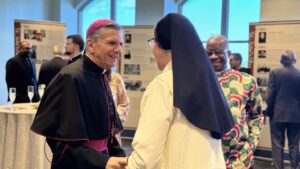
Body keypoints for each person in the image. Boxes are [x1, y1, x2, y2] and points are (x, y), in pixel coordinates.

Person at [127, 13, 234, 169]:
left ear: (163, 45)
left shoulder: (163, 84)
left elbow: (145, 158)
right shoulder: (207, 83)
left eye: (153, 42)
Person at [31, 19, 127, 169]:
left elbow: (107, 132)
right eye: (112, 43)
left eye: (120, 44)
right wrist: (102, 161)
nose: (118, 50)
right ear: (90, 45)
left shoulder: (100, 75)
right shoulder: (70, 77)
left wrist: (119, 155)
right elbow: (59, 142)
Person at [206, 35, 264, 169]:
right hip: (206, 156)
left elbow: (256, 115)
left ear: (228, 53)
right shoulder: (198, 81)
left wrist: (251, 145)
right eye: (209, 53)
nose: (213, 56)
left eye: (218, 52)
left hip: (239, 158)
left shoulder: (246, 80)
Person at [266, 50, 300, 169]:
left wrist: (269, 111)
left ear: (281, 60)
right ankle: (294, 167)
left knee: (277, 145)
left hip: (277, 114)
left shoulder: (274, 72)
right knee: (294, 144)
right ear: (294, 60)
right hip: (296, 116)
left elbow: (270, 95)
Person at [106, 69, 130, 145]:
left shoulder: (115, 78)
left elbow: (124, 103)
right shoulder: (88, 77)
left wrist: (115, 120)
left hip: (112, 133)